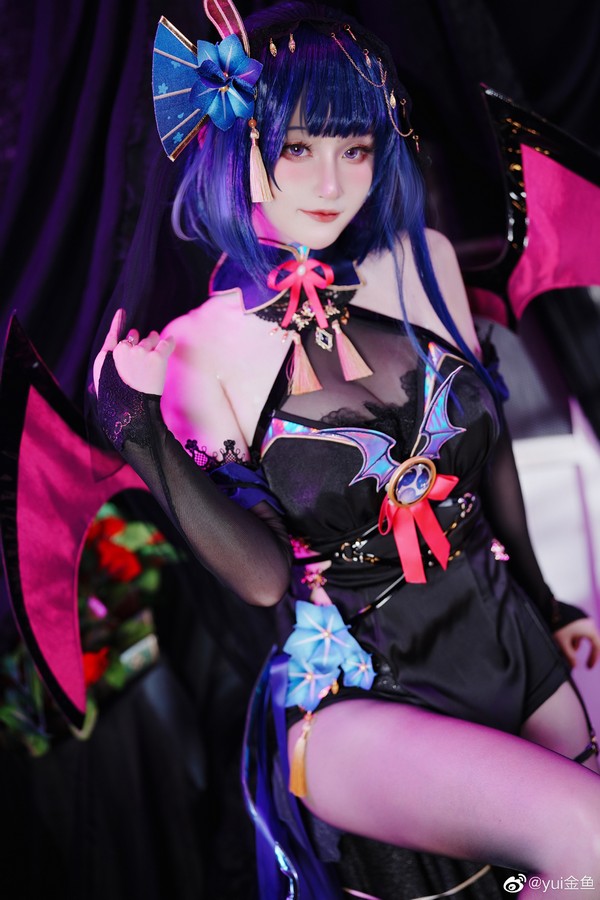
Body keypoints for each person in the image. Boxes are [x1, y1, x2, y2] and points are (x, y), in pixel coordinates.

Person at [93, 2, 600, 897]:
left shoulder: (423, 263)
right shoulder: (197, 349)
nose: (331, 181)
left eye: (356, 148)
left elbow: (491, 457)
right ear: (238, 145)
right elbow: (261, 581)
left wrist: (550, 597)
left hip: (505, 639)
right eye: (298, 147)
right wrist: (138, 433)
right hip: (359, 699)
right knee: (591, 840)